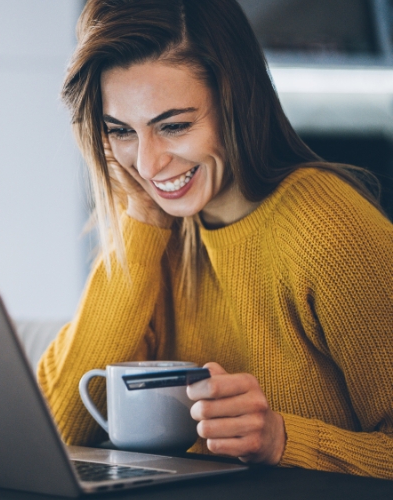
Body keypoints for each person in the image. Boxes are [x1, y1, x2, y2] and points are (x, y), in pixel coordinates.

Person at [37, 0, 393, 478]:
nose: (147, 164)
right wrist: (140, 215)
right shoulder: (156, 225)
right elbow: (58, 429)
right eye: (121, 131)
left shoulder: (329, 231)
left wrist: (281, 439)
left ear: (236, 102)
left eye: (174, 126)